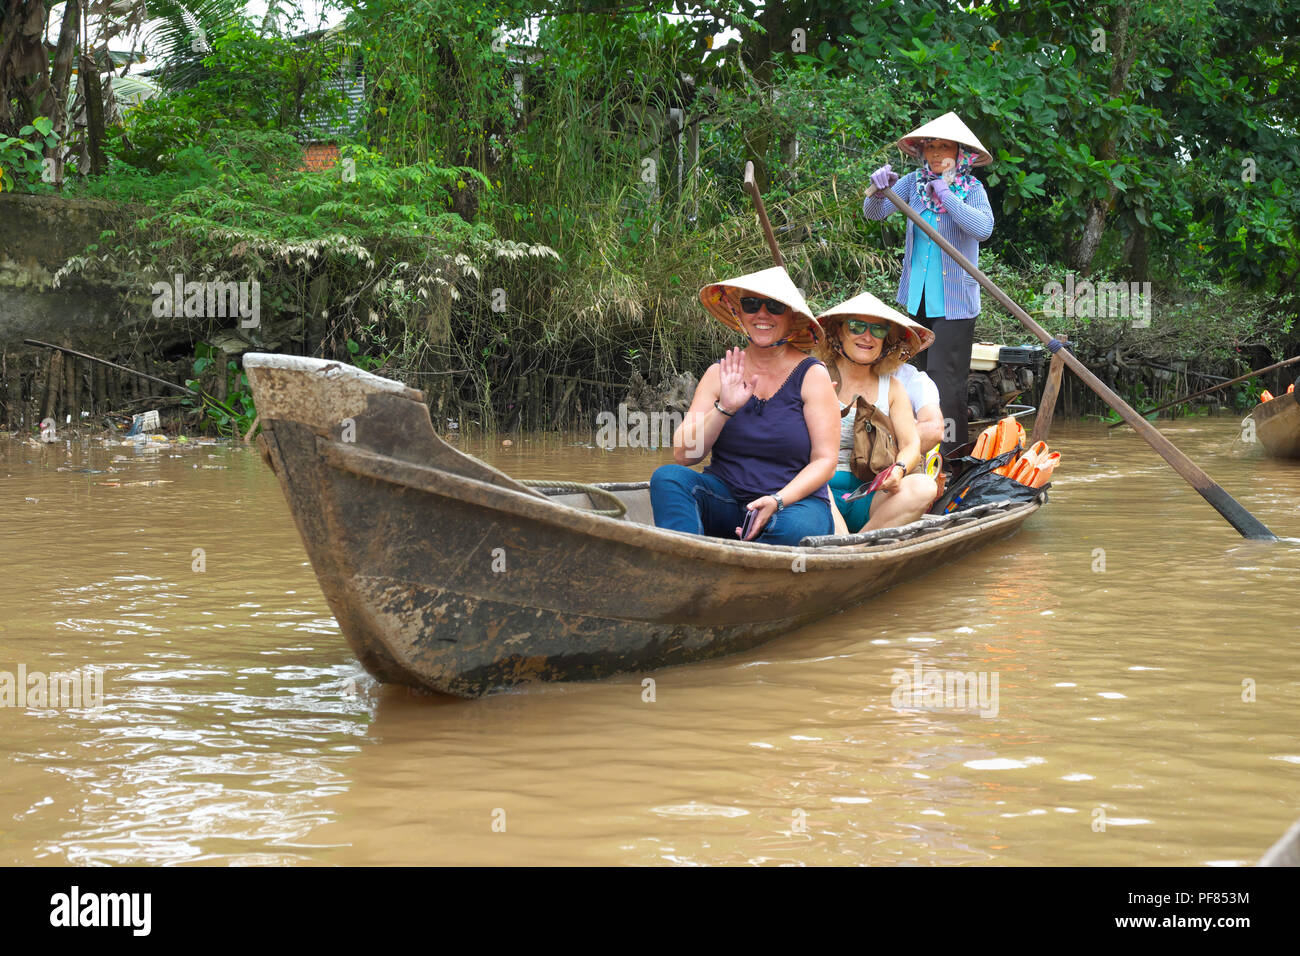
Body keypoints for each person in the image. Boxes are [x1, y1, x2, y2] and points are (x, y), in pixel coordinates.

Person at [649, 266, 839, 545]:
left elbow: (825, 461)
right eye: (751, 305)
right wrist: (724, 409)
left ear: (792, 318)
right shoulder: (719, 374)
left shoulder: (812, 376)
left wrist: (776, 500)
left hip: (791, 504)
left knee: (797, 529)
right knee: (668, 478)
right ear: (739, 314)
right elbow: (684, 454)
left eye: (774, 306)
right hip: (726, 498)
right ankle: (690, 558)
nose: (762, 314)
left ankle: (753, 551)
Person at [864, 111, 995, 454]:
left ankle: (951, 459)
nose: (936, 153)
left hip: (954, 305)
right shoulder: (913, 183)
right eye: (930, 146)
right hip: (917, 299)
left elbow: (982, 230)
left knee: (944, 383)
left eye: (944, 146)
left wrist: (947, 195)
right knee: (911, 380)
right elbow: (873, 213)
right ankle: (913, 452)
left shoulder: (972, 189)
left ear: (960, 152)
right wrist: (879, 191)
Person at [814, 292, 939, 532]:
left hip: (870, 494)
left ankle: (860, 545)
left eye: (877, 330)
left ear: (886, 340)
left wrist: (899, 469)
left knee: (924, 486)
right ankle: (843, 544)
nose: (867, 337)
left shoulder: (892, 387)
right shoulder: (814, 375)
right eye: (856, 326)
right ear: (839, 332)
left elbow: (911, 444)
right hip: (819, 493)